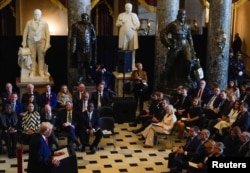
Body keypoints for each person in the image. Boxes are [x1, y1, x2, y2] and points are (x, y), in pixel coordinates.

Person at [160, 9, 197, 87]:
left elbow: (190, 38)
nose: (182, 16)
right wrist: (169, 44)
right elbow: (163, 33)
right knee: (170, 62)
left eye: (184, 15)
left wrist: (192, 49)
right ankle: (165, 79)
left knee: (189, 62)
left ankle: (187, 76)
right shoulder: (173, 24)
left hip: (185, 45)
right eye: (181, 14)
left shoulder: (187, 26)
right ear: (178, 15)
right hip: (176, 44)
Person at [21, 9, 50, 77]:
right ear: (33, 14)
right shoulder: (29, 22)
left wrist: (47, 44)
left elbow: (48, 34)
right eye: (35, 14)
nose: (36, 16)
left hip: (41, 42)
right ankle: (32, 71)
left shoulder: (44, 23)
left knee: (41, 57)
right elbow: (25, 33)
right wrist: (24, 42)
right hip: (31, 42)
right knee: (32, 57)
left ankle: (41, 71)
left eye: (38, 14)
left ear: (40, 15)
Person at [70, 13, 97, 83]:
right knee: (80, 63)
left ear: (87, 19)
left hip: (88, 48)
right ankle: (80, 76)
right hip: (80, 48)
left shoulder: (90, 26)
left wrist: (92, 39)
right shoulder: (77, 25)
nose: (84, 19)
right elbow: (74, 37)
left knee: (88, 63)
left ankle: (88, 76)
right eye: (83, 18)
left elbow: (94, 36)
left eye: (85, 18)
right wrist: (73, 47)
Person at [116, 2, 140, 68]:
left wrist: (135, 27)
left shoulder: (134, 15)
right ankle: (124, 65)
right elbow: (117, 24)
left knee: (132, 50)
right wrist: (121, 22)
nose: (128, 9)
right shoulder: (121, 15)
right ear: (125, 8)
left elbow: (138, 24)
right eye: (127, 8)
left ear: (131, 8)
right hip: (124, 36)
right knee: (124, 50)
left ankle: (132, 65)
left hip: (132, 35)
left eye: (129, 8)